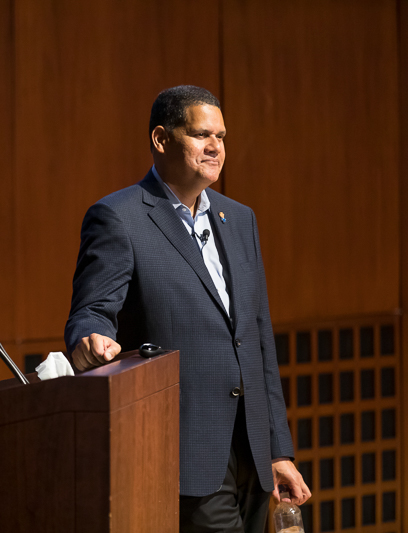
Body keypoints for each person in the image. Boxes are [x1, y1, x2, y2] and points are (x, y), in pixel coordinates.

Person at [64, 86, 310, 532]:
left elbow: (256, 339)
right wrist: (88, 339)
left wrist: (278, 448)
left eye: (221, 136)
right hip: (185, 448)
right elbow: (93, 309)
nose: (215, 146)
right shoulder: (119, 217)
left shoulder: (239, 219)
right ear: (161, 139)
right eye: (201, 135)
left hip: (252, 451)